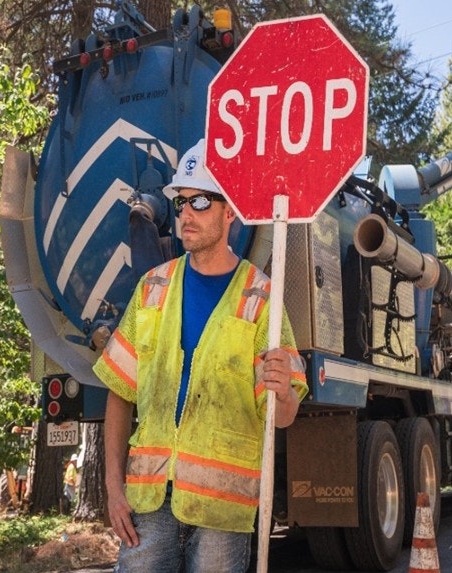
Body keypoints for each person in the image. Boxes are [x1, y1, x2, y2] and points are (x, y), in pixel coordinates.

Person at [93, 138, 308, 573]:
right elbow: (119, 393)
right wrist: (114, 490)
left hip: (221, 515)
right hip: (149, 502)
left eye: (200, 202)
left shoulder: (262, 298)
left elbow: (281, 416)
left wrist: (284, 392)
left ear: (231, 212)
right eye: (181, 202)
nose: (186, 214)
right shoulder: (152, 288)